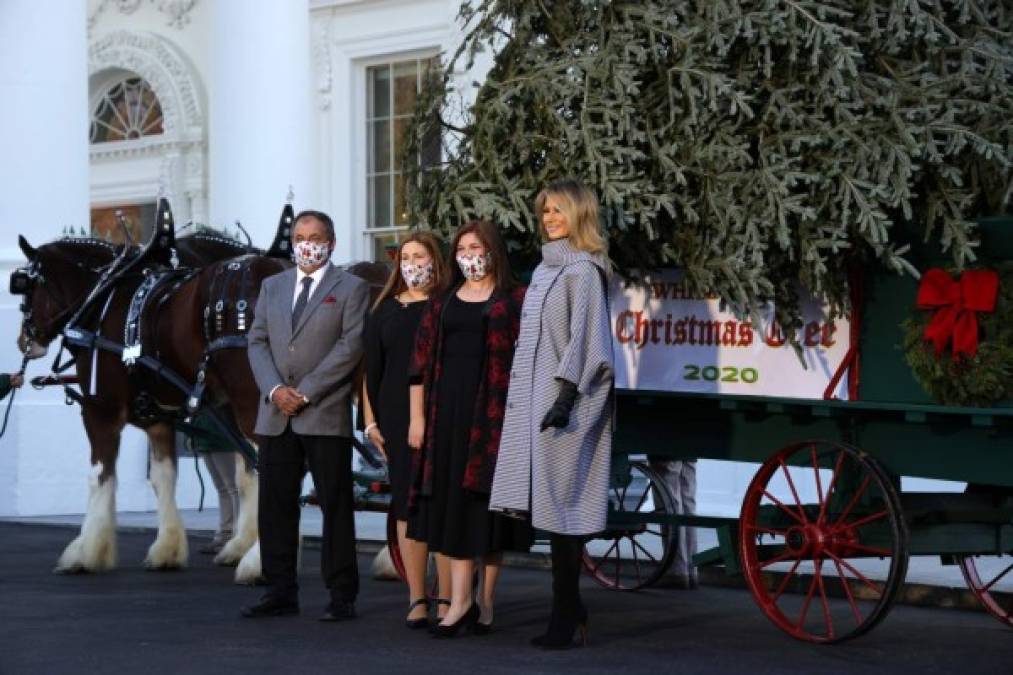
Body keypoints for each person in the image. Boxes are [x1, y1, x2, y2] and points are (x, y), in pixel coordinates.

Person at [490, 178, 614, 649]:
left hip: (569, 403)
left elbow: (588, 340)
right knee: (549, 510)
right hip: (535, 402)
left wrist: (564, 399)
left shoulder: (584, 270)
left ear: (579, 214)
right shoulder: (545, 270)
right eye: (544, 212)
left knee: (564, 507)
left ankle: (565, 614)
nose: (549, 219)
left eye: (558, 211)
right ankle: (570, 607)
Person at [242, 210, 369, 621]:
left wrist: (307, 392)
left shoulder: (351, 288)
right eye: (300, 236)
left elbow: (350, 347)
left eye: (315, 237)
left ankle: (341, 594)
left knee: (335, 504)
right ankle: (280, 590)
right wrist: (276, 390)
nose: (306, 243)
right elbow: (257, 342)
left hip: (324, 412)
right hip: (276, 414)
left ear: (331, 242)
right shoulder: (272, 286)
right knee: (275, 506)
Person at [407, 219, 532, 638]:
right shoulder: (442, 301)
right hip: (447, 414)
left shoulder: (516, 298)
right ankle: (458, 600)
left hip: (494, 417)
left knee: (487, 512)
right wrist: (418, 417)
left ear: (493, 250)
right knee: (454, 507)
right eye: (461, 249)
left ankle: (486, 601)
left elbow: (529, 358)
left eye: (475, 248)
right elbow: (419, 363)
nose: (468, 257)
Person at [362, 232, 451, 628]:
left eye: (421, 255)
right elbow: (370, 372)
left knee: (443, 505)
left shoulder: (450, 306)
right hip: (396, 418)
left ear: (436, 260)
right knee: (407, 504)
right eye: (407, 256)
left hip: (445, 413)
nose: (413, 263)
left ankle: (449, 597)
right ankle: (417, 597)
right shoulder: (384, 311)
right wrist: (370, 421)